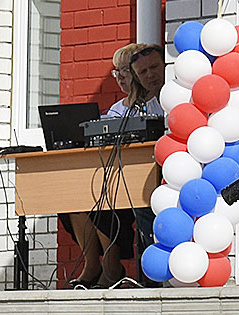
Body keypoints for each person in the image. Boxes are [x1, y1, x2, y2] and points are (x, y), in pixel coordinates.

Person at [63, 42, 165, 288]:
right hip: (121, 178)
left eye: (125, 71)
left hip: (149, 180)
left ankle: (124, 271)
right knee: (78, 198)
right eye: (116, 72)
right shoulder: (120, 109)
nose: (120, 77)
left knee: (124, 202)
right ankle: (95, 266)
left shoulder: (162, 101)